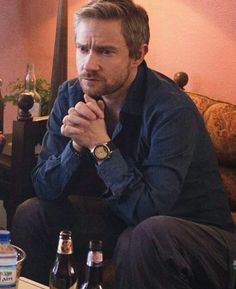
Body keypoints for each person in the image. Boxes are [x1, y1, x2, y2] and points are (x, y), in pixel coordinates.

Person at [11, 0, 236, 288]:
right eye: (83, 48)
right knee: (33, 214)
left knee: (144, 236)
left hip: (194, 236)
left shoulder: (171, 110)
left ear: (137, 54)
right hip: (125, 219)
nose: (88, 64)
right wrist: (77, 147)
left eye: (105, 51)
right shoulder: (71, 95)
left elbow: (150, 212)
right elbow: (44, 187)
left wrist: (100, 145)